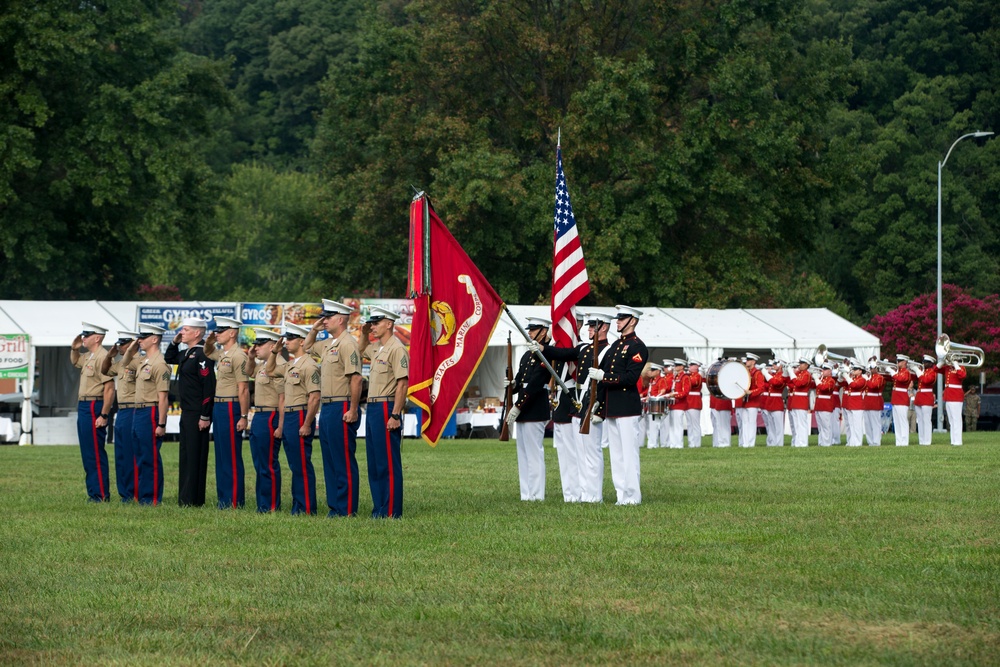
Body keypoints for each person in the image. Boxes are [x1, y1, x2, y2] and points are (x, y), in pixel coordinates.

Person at [304, 299, 364, 518]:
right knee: (329, 460)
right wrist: (313, 329)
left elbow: (356, 379)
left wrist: (354, 409)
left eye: (328, 317)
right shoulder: (330, 343)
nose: (324, 321)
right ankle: (335, 507)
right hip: (328, 406)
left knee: (343, 460)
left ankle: (347, 508)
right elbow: (307, 347)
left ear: (340, 319)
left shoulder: (348, 344)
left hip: (342, 404)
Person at [587, 305, 647, 506]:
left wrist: (605, 376)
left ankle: (632, 496)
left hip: (627, 407)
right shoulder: (614, 347)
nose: (618, 321)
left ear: (633, 321)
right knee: (617, 455)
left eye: (622, 318)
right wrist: (599, 404)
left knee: (629, 454)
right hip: (612, 408)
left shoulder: (638, 347)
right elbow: (602, 379)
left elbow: (630, 378)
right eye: (618, 318)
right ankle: (622, 495)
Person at [359, 306, 409, 518]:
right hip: (372, 407)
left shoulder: (397, 348)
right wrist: (363, 334)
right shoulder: (378, 348)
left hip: (387, 406)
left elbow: (403, 383)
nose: (373, 326)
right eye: (372, 323)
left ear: (389, 324)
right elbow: (360, 351)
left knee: (388, 462)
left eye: (377, 322)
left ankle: (391, 510)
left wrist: (395, 414)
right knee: (375, 462)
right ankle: (379, 507)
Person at [164, 317, 216, 507]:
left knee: (195, 456)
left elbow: (208, 386)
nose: (181, 332)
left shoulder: (203, 354)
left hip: (197, 413)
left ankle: (193, 499)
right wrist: (174, 342)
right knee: (186, 454)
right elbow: (169, 358)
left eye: (185, 330)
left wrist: (205, 415)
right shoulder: (188, 353)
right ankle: (185, 498)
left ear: (197, 333)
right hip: (186, 411)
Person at [270, 323, 320, 515]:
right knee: (293, 463)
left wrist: (307, 423)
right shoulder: (291, 364)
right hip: (290, 414)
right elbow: (271, 368)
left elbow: (314, 397)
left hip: (300, 414)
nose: (286, 342)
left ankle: (307, 507)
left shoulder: (309, 365)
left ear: (301, 341)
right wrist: (275, 351)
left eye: (290, 339)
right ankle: (298, 505)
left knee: (301, 464)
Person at [205, 316, 250, 509]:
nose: (217, 334)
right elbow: (208, 352)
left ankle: (234, 501)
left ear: (232, 333)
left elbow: (244, 388)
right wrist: (210, 339)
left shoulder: (238, 355)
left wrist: (243, 415)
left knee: (231, 455)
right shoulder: (224, 353)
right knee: (222, 455)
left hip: (232, 406)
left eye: (221, 331)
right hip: (220, 406)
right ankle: (223, 499)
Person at [505, 317, 552, 501]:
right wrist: (512, 384)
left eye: (533, 330)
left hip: (535, 408)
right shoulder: (527, 355)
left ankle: (537, 494)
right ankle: (526, 494)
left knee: (534, 454)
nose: (530, 333)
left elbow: (535, 384)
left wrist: (517, 405)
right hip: (524, 409)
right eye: (530, 330)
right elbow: (521, 380)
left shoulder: (545, 355)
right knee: (523, 454)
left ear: (543, 331)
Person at [122, 324, 170, 505]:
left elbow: (163, 397)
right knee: (140, 455)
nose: (140, 340)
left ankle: (152, 497)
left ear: (155, 339)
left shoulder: (160, 364)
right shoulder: (142, 361)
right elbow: (125, 362)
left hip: (151, 410)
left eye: (144, 337)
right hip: (138, 411)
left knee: (150, 456)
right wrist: (133, 347)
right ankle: (144, 495)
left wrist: (162, 423)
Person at [70, 322, 115, 502]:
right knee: (88, 452)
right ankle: (94, 493)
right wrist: (74, 349)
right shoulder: (89, 356)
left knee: (95, 452)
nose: (83, 338)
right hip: (84, 405)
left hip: (94, 405)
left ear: (97, 338)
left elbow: (110, 389)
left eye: (87, 335)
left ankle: (101, 494)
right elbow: (75, 361)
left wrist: (104, 414)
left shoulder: (103, 357)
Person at [247, 328, 285, 513]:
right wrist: (250, 357)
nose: (256, 348)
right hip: (259, 414)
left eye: (260, 344)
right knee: (259, 462)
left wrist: (280, 425)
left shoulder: (277, 364)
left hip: (270, 415)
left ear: (272, 346)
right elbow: (249, 372)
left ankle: (270, 505)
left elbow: (282, 398)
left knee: (268, 463)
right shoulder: (263, 364)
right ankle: (263, 503)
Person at [101, 331, 140, 502]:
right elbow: (105, 371)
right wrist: (109, 356)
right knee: (121, 454)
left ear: (133, 343)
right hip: (122, 410)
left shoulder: (140, 362)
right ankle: (125, 493)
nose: (120, 347)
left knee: (133, 452)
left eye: (123, 344)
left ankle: (136, 491)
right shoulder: (120, 363)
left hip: (134, 408)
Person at [738, 353, 766, 448]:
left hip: (753, 402)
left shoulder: (757, 373)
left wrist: (751, 392)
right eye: (747, 360)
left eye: (749, 360)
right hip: (745, 401)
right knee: (745, 423)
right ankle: (746, 443)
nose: (747, 361)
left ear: (753, 362)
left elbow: (761, 388)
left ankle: (751, 443)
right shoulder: (746, 372)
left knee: (751, 423)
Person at [938, 355, 967, 446]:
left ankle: (958, 441)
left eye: (953, 358)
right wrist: (942, 362)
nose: (951, 360)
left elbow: (962, 375)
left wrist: (956, 365)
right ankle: (953, 440)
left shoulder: (961, 368)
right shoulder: (948, 368)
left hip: (956, 395)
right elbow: (936, 369)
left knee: (956, 419)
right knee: (951, 420)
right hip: (948, 395)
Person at [788, 358, 815, 448]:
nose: (800, 365)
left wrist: (791, 373)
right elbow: (791, 383)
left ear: (807, 365)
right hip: (796, 400)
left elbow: (799, 383)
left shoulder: (807, 375)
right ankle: (798, 442)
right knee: (796, 424)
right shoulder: (799, 373)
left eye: (802, 363)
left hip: (801, 401)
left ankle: (803, 443)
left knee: (801, 424)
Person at [889, 354, 915, 446]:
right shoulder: (898, 371)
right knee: (897, 422)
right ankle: (899, 441)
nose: (897, 362)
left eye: (899, 361)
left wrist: (892, 372)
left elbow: (902, 378)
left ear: (904, 362)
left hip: (902, 399)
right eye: (897, 361)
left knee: (903, 421)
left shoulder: (906, 372)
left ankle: (904, 442)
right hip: (896, 398)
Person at [760, 360, 787, 447]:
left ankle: (779, 444)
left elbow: (776, 383)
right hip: (770, 402)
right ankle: (772, 443)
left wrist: (766, 374)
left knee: (778, 427)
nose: (773, 365)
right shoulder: (775, 375)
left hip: (777, 402)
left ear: (781, 366)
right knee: (771, 426)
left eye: (775, 364)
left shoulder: (783, 375)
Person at [665, 359, 689, 449]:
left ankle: (678, 444)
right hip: (673, 404)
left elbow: (685, 392)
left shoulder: (685, 377)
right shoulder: (676, 377)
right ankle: (673, 443)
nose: (675, 367)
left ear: (682, 367)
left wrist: (674, 395)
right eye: (675, 366)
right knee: (672, 425)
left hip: (679, 404)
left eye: (677, 365)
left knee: (678, 425)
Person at [914, 355, 938, 445]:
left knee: (926, 420)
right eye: (923, 362)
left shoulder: (932, 372)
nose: (923, 364)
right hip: (920, 396)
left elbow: (926, 380)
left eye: (925, 362)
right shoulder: (923, 371)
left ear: (930, 363)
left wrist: (917, 370)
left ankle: (927, 441)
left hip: (927, 396)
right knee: (920, 420)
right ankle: (921, 440)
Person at [842, 363, 866, 447]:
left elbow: (854, 385)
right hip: (851, 404)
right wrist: (841, 376)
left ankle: (858, 443)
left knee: (857, 425)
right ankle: (853, 442)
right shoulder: (853, 378)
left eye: (855, 370)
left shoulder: (862, 380)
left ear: (860, 371)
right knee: (851, 425)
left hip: (857, 404)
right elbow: (842, 384)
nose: (853, 371)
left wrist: (847, 377)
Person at [863, 357, 885, 446]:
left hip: (875, 401)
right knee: (867, 424)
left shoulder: (879, 377)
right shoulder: (868, 377)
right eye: (870, 367)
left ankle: (876, 441)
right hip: (867, 402)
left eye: (873, 367)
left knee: (875, 423)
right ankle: (870, 441)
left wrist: (867, 379)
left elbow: (874, 386)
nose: (872, 369)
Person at [709, 369, 733, 448]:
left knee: (724, 425)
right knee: (718, 425)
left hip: (724, 403)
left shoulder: (728, 379)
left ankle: (725, 443)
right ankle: (719, 442)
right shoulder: (718, 379)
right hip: (717, 404)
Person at [814, 364, 837, 446]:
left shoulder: (831, 381)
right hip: (819, 405)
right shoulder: (822, 379)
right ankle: (821, 442)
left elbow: (824, 388)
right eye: (822, 369)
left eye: (825, 369)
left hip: (826, 406)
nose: (822, 371)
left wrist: (816, 379)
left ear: (830, 371)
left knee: (826, 426)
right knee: (820, 427)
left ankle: (827, 443)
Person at [685, 360, 704, 447]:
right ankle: (691, 443)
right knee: (689, 424)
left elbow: (693, 383)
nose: (690, 366)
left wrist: (684, 377)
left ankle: (697, 443)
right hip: (688, 401)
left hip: (695, 401)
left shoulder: (698, 376)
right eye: (690, 365)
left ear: (697, 367)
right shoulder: (688, 376)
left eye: (692, 365)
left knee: (695, 424)